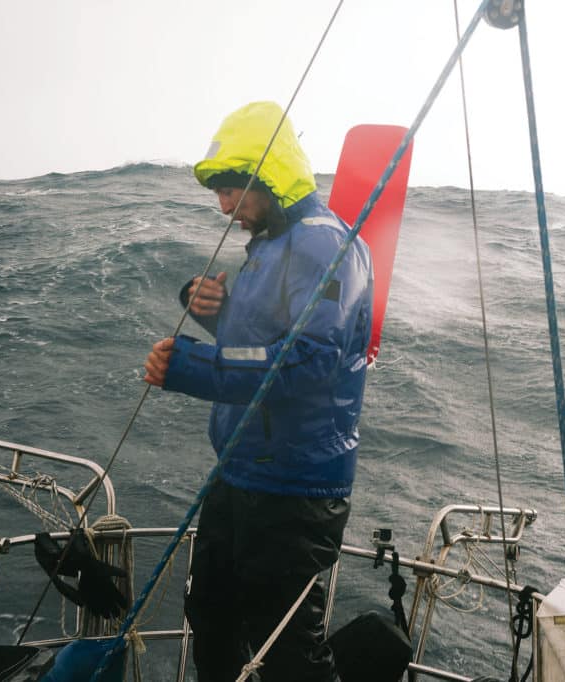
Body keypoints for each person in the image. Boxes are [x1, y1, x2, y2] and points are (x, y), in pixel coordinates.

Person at [143, 101, 373, 682]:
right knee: (212, 619)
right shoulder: (269, 244)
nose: (223, 207)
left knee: (288, 650)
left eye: (232, 190)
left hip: (293, 491)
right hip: (240, 475)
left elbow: (308, 363)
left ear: (269, 177)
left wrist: (193, 367)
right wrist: (212, 315)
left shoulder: (324, 245)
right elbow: (260, 343)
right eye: (218, 192)